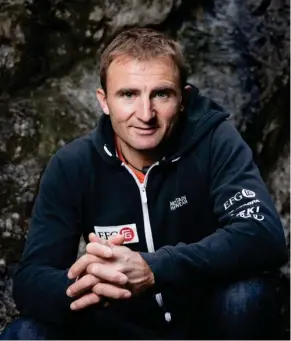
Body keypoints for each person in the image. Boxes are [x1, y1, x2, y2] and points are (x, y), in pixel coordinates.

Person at [1, 27, 288, 340]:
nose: (145, 114)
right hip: (119, 327)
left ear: (183, 98)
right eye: (128, 94)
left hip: (203, 324)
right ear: (104, 101)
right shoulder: (73, 165)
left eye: (161, 93)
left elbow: (263, 236)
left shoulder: (215, 140)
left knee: (247, 296)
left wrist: (154, 268)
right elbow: (30, 280)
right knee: (24, 333)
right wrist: (92, 285)